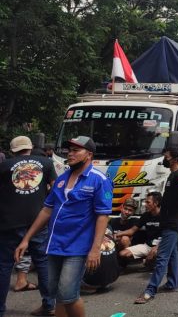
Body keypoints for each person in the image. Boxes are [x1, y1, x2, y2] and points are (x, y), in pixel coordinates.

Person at [15, 136, 112, 317]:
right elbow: (47, 210)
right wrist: (26, 239)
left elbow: (102, 215)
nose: (70, 154)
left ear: (89, 154)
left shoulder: (99, 180)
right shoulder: (62, 179)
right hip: (54, 244)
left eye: (76, 150)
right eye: (69, 150)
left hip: (78, 247)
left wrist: (95, 249)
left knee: (68, 293)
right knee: (55, 291)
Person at [0, 136, 57, 317]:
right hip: (38, 220)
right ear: (30, 148)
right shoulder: (46, 163)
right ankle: (49, 305)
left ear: (12, 150)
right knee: (42, 262)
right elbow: (55, 190)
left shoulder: (3, 166)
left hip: (9, 222)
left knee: (4, 266)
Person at [134, 150, 178, 304]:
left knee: (162, 257)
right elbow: (176, 198)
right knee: (172, 254)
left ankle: (150, 291)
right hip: (168, 221)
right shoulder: (172, 175)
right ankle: (172, 283)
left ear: (175, 159)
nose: (164, 160)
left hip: (173, 223)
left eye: (167, 157)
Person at [116, 192, 162, 266]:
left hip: (162, 245)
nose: (145, 205)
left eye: (148, 202)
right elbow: (132, 230)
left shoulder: (166, 215)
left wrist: (157, 247)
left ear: (156, 203)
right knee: (122, 254)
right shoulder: (145, 215)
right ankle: (147, 261)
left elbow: (170, 236)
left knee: (155, 254)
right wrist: (118, 234)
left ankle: (150, 262)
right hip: (147, 245)